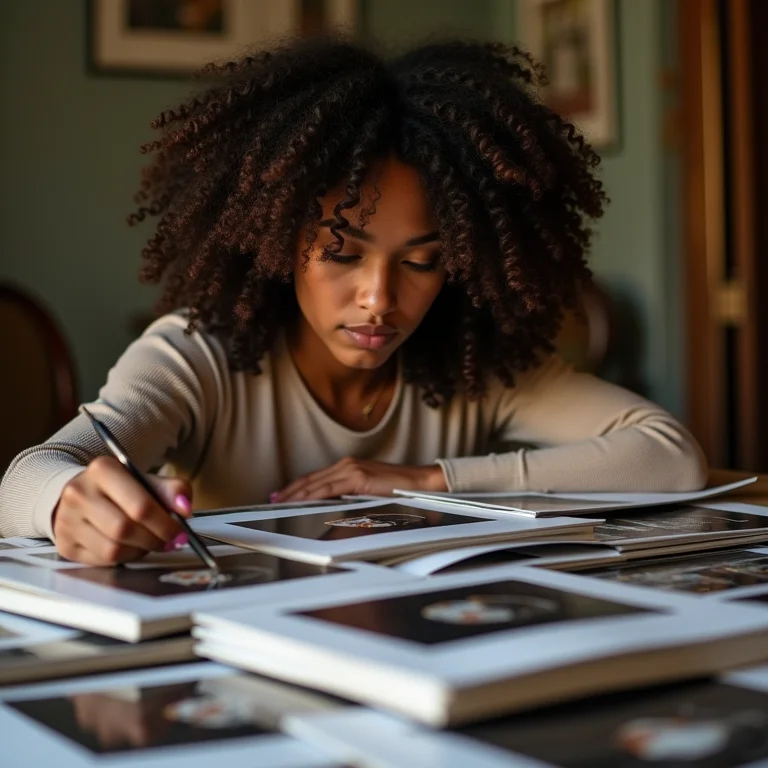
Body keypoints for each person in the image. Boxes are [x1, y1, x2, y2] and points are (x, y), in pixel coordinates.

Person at [0, 36, 707, 565]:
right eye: (342, 252)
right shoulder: (201, 352)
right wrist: (69, 501)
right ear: (272, 239)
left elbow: (669, 457)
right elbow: (25, 478)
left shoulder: (473, 368)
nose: (380, 299)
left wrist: (425, 481)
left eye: (423, 261)